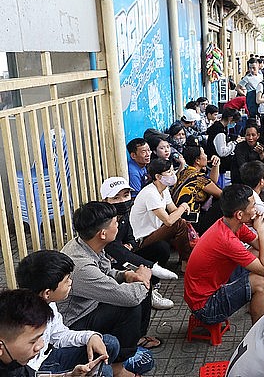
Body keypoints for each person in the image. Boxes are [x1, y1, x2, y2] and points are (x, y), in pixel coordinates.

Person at [58, 202, 155, 373]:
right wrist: (144, 279)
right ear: (103, 233)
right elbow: (128, 297)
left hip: (92, 306)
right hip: (74, 322)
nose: (118, 226)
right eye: (115, 223)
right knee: (131, 303)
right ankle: (118, 367)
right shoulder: (81, 266)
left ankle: (133, 342)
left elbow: (106, 271)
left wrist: (126, 275)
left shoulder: (87, 243)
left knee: (139, 289)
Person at [15, 250, 120, 377]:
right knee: (105, 372)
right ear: (47, 293)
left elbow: (59, 335)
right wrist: (68, 374)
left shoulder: (48, 303)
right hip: (35, 371)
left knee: (109, 343)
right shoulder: (22, 319)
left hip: (48, 357)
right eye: (66, 280)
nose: (70, 282)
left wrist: (90, 336)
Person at [183, 184, 264, 325]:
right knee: (261, 283)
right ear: (239, 214)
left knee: (259, 257)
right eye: (253, 206)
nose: (256, 210)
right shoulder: (226, 239)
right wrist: (261, 230)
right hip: (205, 307)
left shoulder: (230, 223)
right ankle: (260, 335)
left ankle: (258, 303)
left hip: (215, 285)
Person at [100, 177, 177, 311]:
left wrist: (130, 245)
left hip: (125, 254)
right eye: (116, 198)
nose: (123, 201)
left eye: (126, 195)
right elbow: (112, 247)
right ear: (105, 201)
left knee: (161, 248)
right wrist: (152, 267)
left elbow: (131, 237)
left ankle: (151, 288)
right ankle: (142, 290)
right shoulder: (103, 221)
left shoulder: (124, 216)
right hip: (108, 264)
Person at [129, 159, 193, 270]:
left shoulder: (164, 189)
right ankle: (186, 262)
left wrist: (183, 211)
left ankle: (185, 260)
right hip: (142, 240)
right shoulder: (150, 193)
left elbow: (173, 210)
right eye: (169, 172)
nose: (173, 174)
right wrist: (183, 206)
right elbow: (168, 221)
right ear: (158, 177)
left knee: (181, 222)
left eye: (173, 171)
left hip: (156, 231)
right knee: (178, 223)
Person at [0, 289, 53, 377]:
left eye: (40, 337)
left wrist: (67, 375)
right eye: (33, 341)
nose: (41, 345)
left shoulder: (13, 362)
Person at [171, 146, 223, 235]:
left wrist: (216, 165)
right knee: (225, 201)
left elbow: (212, 183)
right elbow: (221, 194)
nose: (206, 156)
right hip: (192, 221)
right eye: (204, 154)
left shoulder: (184, 172)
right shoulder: (198, 177)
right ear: (197, 161)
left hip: (178, 217)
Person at [205, 108, 245, 186]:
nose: (235, 124)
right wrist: (235, 143)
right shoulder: (220, 131)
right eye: (235, 121)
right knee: (218, 187)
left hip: (216, 165)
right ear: (230, 119)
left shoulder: (219, 127)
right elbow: (222, 152)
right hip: (216, 165)